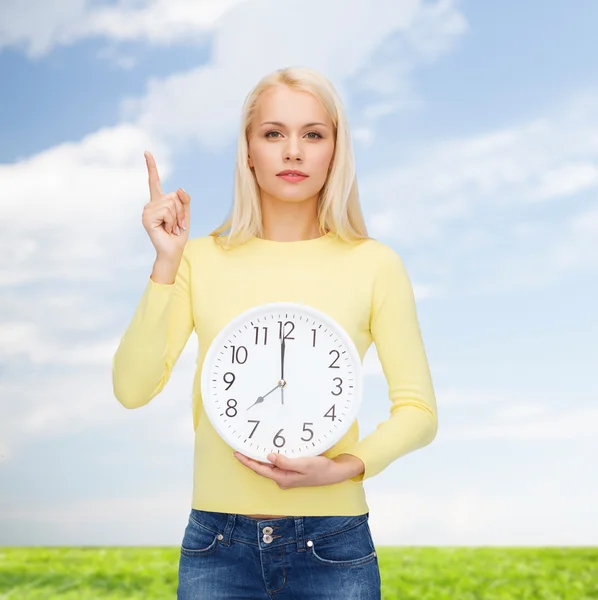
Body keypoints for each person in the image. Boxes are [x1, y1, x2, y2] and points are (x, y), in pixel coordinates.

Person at [112, 66, 438, 599]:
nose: (293, 152)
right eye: (273, 133)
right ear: (247, 151)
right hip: (217, 546)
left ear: (335, 150)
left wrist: (342, 469)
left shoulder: (375, 264)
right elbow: (131, 388)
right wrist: (165, 264)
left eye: (313, 134)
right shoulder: (198, 259)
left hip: (333, 545)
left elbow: (419, 412)